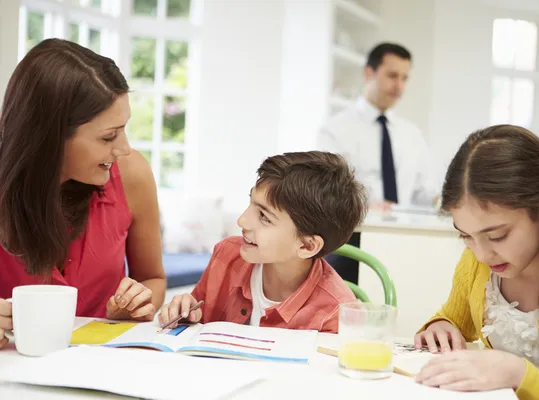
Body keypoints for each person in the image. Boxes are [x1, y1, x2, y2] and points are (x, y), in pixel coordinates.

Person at [0, 39, 166, 349]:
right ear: (49, 137)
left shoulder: (132, 175)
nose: (124, 148)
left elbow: (152, 279)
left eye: (124, 129)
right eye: (108, 137)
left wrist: (135, 305)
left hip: (99, 366)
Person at [413, 124, 539, 398]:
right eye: (465, 236)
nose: (481, 254)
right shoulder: (479, 262)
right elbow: (454, 317)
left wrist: (519, 374)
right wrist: (440, 326)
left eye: (498, 236)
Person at [159, 151, 367, 333]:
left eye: (265, 217)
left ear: (306, 246)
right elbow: (195, 323)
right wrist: (184, 314)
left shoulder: (336, 313)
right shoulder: (227, 254)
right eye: (251, 203)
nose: (242, 220)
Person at [318, 42, 439, 284]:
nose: (399, 86)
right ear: (368, 73)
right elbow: (324, 192)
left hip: (400, 242)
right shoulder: (335, 130)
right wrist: (363, 204)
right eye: (392, 75)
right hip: (351, 242)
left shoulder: (411, 135)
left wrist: (444, 200)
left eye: (405, 78)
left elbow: (426, 194)